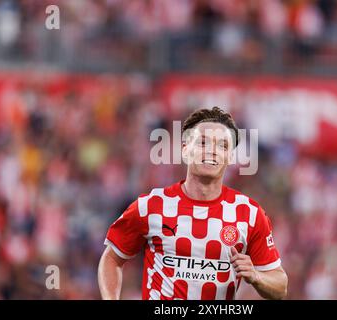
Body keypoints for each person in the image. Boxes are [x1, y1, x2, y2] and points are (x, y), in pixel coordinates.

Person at [97, 106, 288, 300]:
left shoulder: (249, 214)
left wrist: (256, 276)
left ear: (230, 157)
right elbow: (112, 258)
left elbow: (280, 286)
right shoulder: (151, 206)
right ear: (185, 150)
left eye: (222, 146)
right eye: (203, 142)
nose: (212, 151)